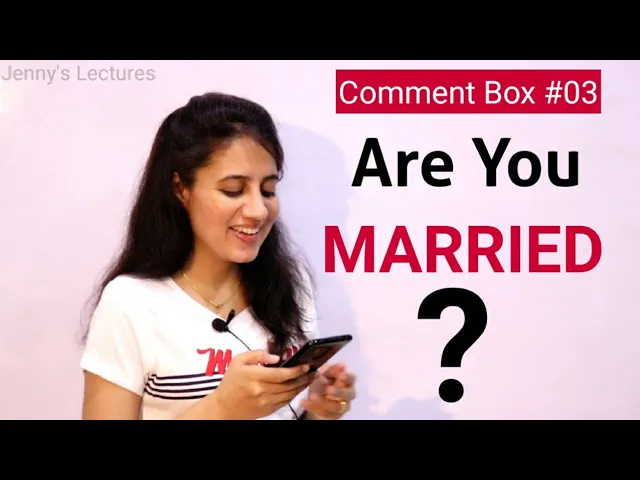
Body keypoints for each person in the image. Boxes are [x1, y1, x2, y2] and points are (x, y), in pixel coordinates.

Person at [80, 92, 357, 420]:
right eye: (233, 190)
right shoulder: (130, 302)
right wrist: (223, 408)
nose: (258, 210)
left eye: (268, 190)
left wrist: (320, 413)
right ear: (181, 189)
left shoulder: (289, 285)